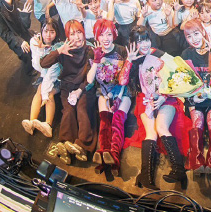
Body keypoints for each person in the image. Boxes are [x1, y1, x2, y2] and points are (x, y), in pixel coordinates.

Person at [123, 26, 191, 189]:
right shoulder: (134, 59)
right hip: (144, 99)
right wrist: (129, 61)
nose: (144, 44)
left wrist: (163, 97)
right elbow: (122, 81)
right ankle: (145, 176)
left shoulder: (160, 55)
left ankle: (179, 170)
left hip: (166, 97)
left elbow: (177, 77)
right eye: (139, 41)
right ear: (133, 44)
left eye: (146, 39)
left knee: (161, 127)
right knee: (151, 133)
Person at [40, 20, 95, 164]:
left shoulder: (89, 49)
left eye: (79, 32)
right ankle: (66, 143)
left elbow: (90, 77)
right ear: (67, 36)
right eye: (72, 34)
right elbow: (43, 63)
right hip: (67, 86)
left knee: (82, 110)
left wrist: (79, 91)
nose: (77, 37)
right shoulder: (63, 47)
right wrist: (59, 51)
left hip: (84, 86)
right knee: (68, 111)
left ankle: (83, 145)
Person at [181, 19, 211, 175]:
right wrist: (193, 99)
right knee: (198, 121)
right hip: (195, 97)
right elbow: (185, 82)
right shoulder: (186, 54)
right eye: (189, 36)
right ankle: (196, 161)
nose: (193, 39)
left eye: (196, 33)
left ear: (203, 32)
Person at [87, 19, 133, 175]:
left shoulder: (121, 51)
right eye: (101, 35)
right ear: (96, 36)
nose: (105, 38)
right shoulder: (93, 52)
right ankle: (103, 154)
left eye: (108, 34)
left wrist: (117, 96)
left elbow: (125, 79)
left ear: (114, 35)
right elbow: (89, 80)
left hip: (122, 91)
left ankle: (115, 157)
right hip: (103, 92)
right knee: (105, 121)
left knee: (117, 120)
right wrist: (96, 61)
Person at [22, 19, 63, 138]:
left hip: (57, 77)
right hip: (45, 74)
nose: (48, 35)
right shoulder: (35, 42)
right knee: (39, 91)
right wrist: (40, 50)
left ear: (56, 33)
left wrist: (45, 94)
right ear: (41, 30)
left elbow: (52, 75)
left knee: (48, 93)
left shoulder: (58, 47)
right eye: (45, 31)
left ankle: (48, 125)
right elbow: (37, 66)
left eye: (52, 32)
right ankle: (31, 122)